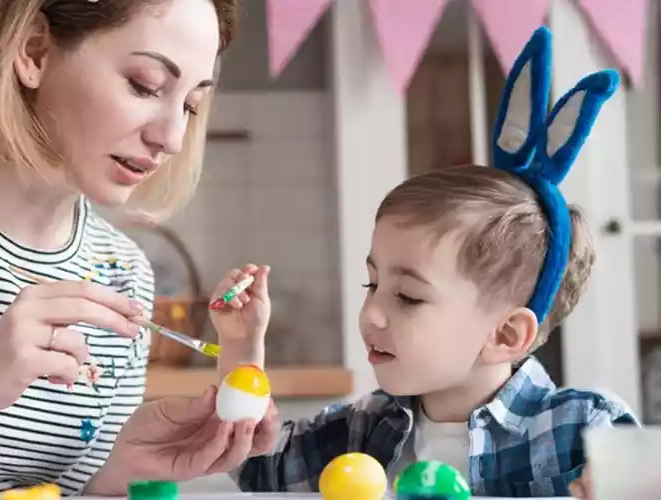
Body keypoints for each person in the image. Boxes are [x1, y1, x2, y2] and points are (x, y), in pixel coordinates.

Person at [208, 27, 639, 498]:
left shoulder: (585, 431)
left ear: (506, 335)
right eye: (371, 285)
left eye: (409, 297)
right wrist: (241, 346)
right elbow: (257, 467)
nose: (371, 313)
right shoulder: (364, 427)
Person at [0, 0, 278, 497]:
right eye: (145, 85)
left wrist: (119, 470)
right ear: (34, 51)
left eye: (190, 105)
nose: (172, 137)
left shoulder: (122, 273)